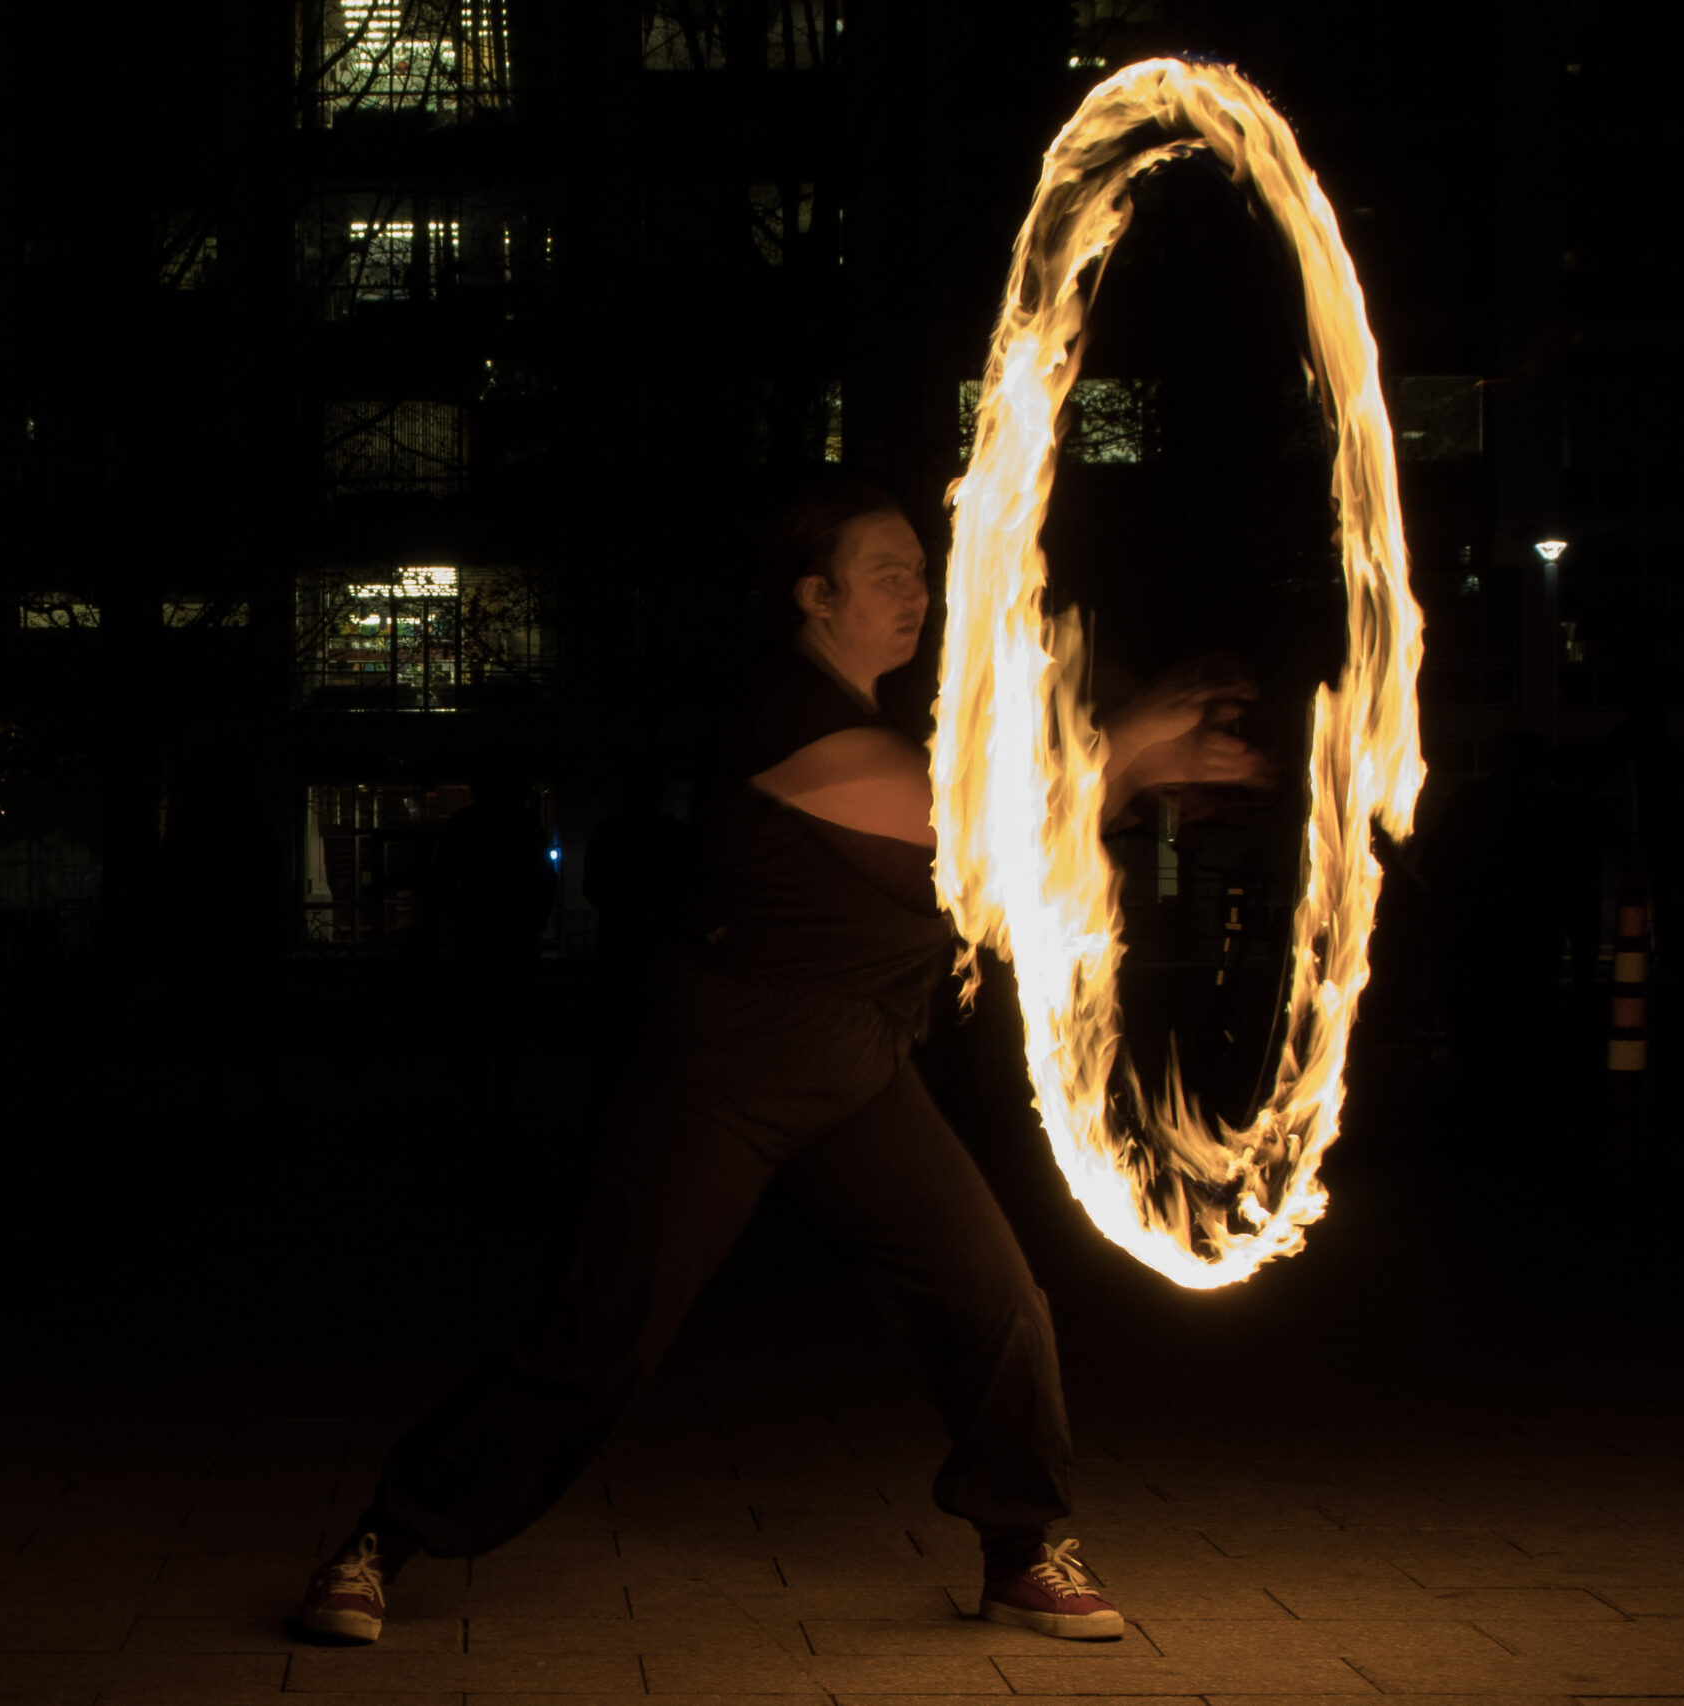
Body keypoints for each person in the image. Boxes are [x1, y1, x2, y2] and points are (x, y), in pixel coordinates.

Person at [298, 477, 1272, 1645]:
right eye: (888, 573)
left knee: (995, 1297)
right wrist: (1126, 749)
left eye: (922, 568)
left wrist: (1126, 769)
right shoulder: (787, 723)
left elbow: (1002, 865)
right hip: (726, 1073)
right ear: (816, 598)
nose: (920, 592)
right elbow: (963, 838)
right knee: (600, 1333)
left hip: (858, 1064)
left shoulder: (891, 726)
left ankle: (1023, 1544)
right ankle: (382, 1537)